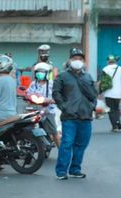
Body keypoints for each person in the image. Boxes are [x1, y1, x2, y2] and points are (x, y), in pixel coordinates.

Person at [53, 48, 97, 180]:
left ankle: (75, 169)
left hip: (85, 116)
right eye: (74, 58)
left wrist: (92, 107)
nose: (77, 61)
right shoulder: (62, 76)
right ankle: (61, 171)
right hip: (69, 117)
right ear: (69, 60)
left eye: (80, 58)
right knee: (67, 143)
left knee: (81, 144)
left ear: (83, 61)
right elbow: (56, 93)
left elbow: (94, 95)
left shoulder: (88, 77)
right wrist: (64, 107)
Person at [27, 62, 60, 147]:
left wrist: (52, 100)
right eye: (38, 72)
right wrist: (28, 97)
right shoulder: (33, 84)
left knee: (54, 131)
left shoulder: (52, 84)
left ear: (47, 73)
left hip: (49, 110)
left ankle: (61, 150)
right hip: (35, 109)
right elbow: (28, 93)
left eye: (42, 72)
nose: (40, 74)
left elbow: (58, 96)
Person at [102, 55, 121, 132]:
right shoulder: (120, 69)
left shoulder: (105, 69)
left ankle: (115, 126)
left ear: (108, 61)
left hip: (108, 93)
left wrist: (100, 92)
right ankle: (117, 122)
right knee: (117, 109)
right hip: (119, 93)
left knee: (111, 110)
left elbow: (102, 82)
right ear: (115, 61)